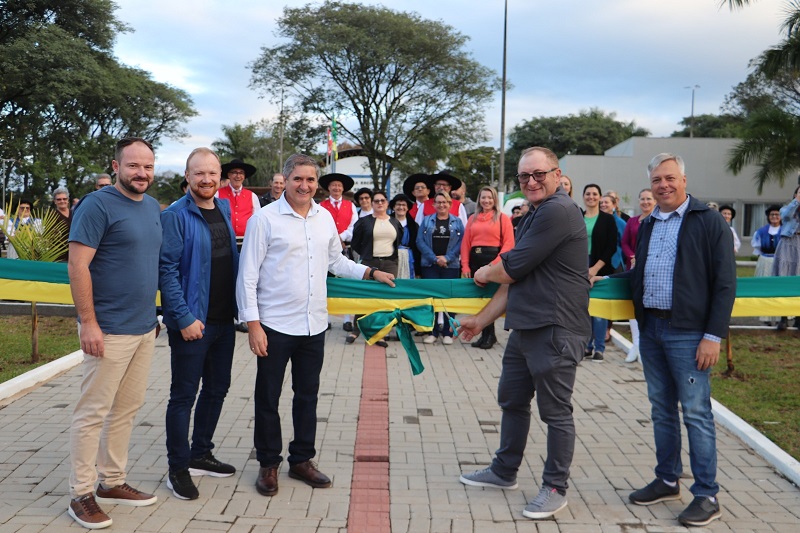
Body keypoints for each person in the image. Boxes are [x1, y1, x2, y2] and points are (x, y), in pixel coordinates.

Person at [236, 153, 395, 498]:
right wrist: (253, 325)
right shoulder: (264, 219)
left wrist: (369, 272)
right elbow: (247, 275)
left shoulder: (324, 218)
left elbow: (337, 260)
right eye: (298, 179)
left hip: (313, 325)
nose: (305, 185)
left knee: (307, 396)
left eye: (311, 180)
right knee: (268, 397)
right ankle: (268, 463)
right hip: (275, 325)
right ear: (287, 179)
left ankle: (301, 460)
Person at [458, 146, 590, 521]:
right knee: (512, 400)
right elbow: (517, 278)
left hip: (555, 328)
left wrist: (483, 272)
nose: (531, 181)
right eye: (524, 176)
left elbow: (510, 268)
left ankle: (554, 487)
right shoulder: (534, 213)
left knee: (555, 412)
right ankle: (504, 471)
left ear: (557, 173)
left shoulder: (558, 210)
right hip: (527, 326)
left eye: (539, 174)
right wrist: (481, 321)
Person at [606, 153, 735, 528]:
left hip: (691, 334)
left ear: (684, 179)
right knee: (661, 409)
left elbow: (725, 283)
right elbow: (637, 273)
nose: (663, 185)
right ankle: (667, 479)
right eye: (657, 180)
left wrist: (713, 336)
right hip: (652, 330)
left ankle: (707, 494)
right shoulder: (647, 224)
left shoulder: (708, 222)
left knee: (695, 413)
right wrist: (604, 283)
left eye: (670, 178)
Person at [66, 137, 163, 529]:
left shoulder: (153, 207)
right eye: (134, 166)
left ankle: (112, 482)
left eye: (148, 167)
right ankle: (81, 493)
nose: (142, 173)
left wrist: (153, 317)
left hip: (143, 328)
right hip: (107, 329)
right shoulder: (97, 204)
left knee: (126, 410)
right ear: (116, 165)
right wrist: (88, 322)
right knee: (92, 414)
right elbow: (77, 266)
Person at [159, 148, 240, 501]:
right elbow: (167, 271)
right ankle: (177, 467)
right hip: (192, 323)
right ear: (188, 177)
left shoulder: (222, 207)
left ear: (220, 176)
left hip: (224, 321)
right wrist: (183, 318)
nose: (206, 180)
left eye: (212, 173)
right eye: (199, 174)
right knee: (183, 396)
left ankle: (200, 453)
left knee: (217, 389)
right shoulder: (176, 215)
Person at [460, 186, 514, 349]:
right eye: (483, 197)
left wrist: (493, 265)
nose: (486, 200)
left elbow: (508, 244)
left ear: (495, 199)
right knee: (480, 299)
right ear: (479, 199)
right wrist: (465, 265)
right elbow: (465, 243)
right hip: (475, 261)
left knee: (492, 298)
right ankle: (487, 334)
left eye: (490, 198)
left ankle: (489, 335)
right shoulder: (472, 218)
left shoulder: (503, 218)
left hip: (493, 262)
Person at [348, 190, 403, 346]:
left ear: (387, 203)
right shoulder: (364, 222)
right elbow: (356, 243)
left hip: (390, 263)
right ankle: (356, 330)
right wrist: (367, 256)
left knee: (385, 299)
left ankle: (380, 333)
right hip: (369, 262)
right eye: (376, 201)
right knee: (365, 296)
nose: (379, 203)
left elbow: (398, 241)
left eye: (382, 201)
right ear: (371, 204)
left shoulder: (394, 222)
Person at [416, 191, 464, 345]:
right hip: (430, 265)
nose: (441, 205)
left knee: (449, 299)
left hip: (451, 265)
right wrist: (434, 258)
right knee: (432, 299)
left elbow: (461, 243)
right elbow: (420, 241)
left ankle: (448, 332)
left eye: (445, 202)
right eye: (438, 202)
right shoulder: (426, 221)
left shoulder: (457, 222)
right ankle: (433, 331)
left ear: (449, 204)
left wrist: (447, 258)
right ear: (434, 204)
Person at [582, 183, 618, 362]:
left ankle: (599, 348)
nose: (591, 197)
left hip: (600, 267)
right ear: (583, 197)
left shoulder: (608, 219)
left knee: (599, 309)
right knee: (585, 309)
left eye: (595, 194)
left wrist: (595, 268)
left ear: (600, 196)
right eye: (588, 194)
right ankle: (587, 346)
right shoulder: (578, 217)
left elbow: (611, 246)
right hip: (579, 267)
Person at [319, 173, 359, 332]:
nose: (336, 188)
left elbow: (353, 227)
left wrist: (340, 237)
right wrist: (334, 239)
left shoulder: (351, 206)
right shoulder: (321, 206)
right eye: (333, 185)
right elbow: (319, 225)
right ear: (328, 188)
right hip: (325, 249)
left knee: (346, 282)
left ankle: (347, 319)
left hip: (345, 248)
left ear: (343, 188)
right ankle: (326, 319)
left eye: (339, 186)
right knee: (325, 283)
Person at [620, 189, 655, 362]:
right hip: (633, 268)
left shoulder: (657, 221)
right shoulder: (633, 221)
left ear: (654, 201)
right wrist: (632, 256)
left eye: (649, 199)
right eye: (642, 199)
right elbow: (625, 242)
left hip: (651, 270)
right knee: (633, 307)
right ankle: (636, 344)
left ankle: (646, 347)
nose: (645, 202)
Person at [772, 185, 800, 332]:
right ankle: (783, 317)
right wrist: (797, 201)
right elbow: (786, 216)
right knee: (784, 276)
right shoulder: (787, 208)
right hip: (788, 243)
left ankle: (798, 317)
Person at [751, 205, 782, 326]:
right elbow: (757, 248)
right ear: (768, 217)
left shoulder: (785, 230)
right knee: (765, 288)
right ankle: (765, 316)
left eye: (777, 215)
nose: (774, 217)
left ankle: (779, 317)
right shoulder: (761, 231)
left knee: (778, 288)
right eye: (772, 215)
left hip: (780, 261)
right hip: (765, 260)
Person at [216, 158, 260, 240]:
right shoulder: (217, 194)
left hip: (246, 240)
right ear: (229, 175)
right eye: (234, 172)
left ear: (244, 176)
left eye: (241, 173)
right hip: (224, 240)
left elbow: (257, 221)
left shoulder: (252, 196)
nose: (238, 176)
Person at [389, 193, 419, 279]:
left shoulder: (414, 226)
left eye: (403, 205)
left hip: (409, 258)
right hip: (390, 257)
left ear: (408, 208)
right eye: (398, 204)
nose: (401, 207)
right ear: (394, 207)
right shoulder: (387, 222)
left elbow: (417, 247)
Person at [51, 186, 72, 262]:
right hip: (59, 254)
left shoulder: (76, 213)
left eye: (64, 199)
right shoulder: (51, 215)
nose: (62, 201)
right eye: (59, 199)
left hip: (75, 251)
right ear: (55, 201)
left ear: (68, 200)